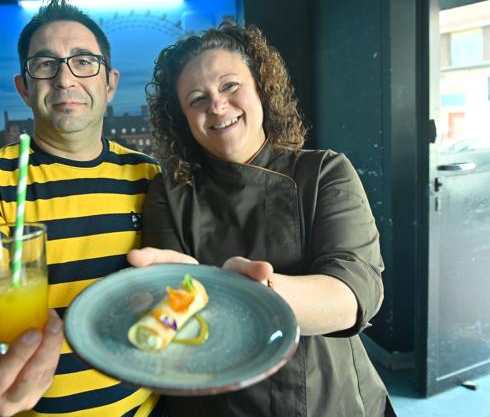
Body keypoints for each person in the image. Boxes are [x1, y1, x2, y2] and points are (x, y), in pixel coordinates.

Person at [127, 24, 395, 416]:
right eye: (197, 99)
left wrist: (252, 296)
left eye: (230, 86)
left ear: (261, 90)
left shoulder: (323, 172)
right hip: (218, 404)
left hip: (326, 399)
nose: (216, 106)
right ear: (182, 120)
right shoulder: (170, 194)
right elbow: (172, 323)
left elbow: (353, 297)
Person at [0, 0, 161, 417]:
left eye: (84, 61)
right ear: (24, 88)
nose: (65, 80)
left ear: (110, 83)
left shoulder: (149, 176)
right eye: (45, 65)